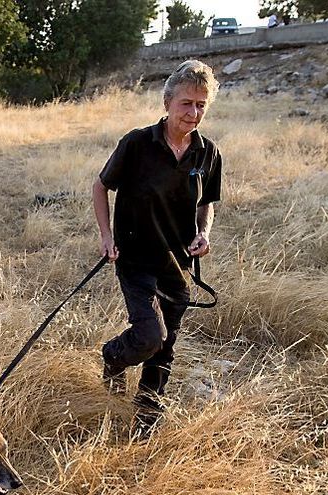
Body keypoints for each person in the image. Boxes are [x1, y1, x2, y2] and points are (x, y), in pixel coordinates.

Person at [92, 59, 222, 435]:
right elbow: (101, 187)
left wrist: (204, 233)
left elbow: (206, 204)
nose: (193, 112)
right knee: (151, 337)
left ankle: (146, 421)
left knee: (166, 349)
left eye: (201, 105)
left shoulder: (207, 153)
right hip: (135, 260)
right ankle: (113, 356)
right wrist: (106, 236)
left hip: (178, 265)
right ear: (167, 102)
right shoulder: (136, 144)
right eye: (186, 103)